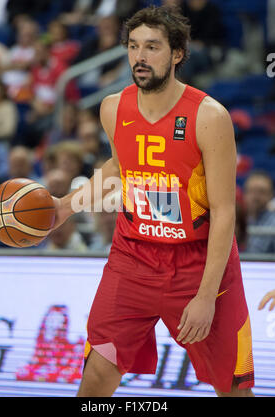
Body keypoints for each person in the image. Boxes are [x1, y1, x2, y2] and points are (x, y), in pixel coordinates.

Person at [51, 5, 254, 397]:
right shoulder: (113, 107)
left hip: (199, 263)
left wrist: (206, 295)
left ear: (177, 54)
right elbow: (118, 167)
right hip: (133, 258)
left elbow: (225, 211)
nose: (140, 57)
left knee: (234, 389)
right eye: (132, 46)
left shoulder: (209, 116)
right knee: (96, 376)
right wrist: (65, 205)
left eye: (152, 47)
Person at [243, 170, 275, 253]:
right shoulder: (238, 219)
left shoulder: (273, 221)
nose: (256, 197)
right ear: (245, 193)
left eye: (262, 192)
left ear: (271, 195)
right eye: (251, 191)